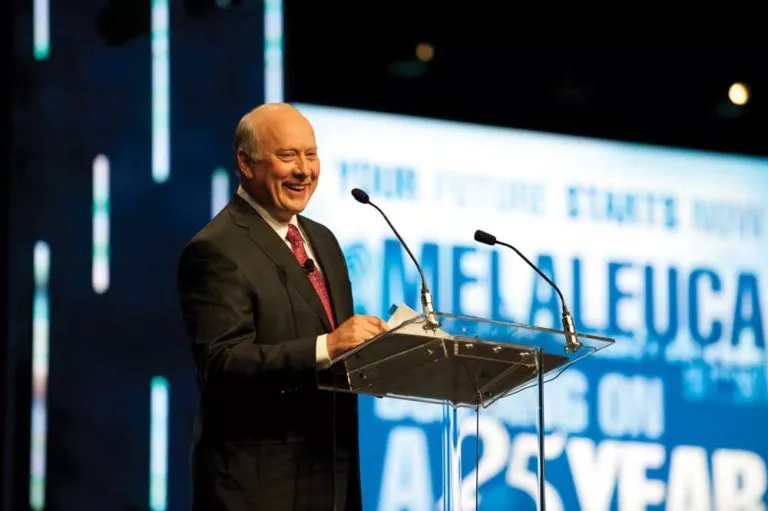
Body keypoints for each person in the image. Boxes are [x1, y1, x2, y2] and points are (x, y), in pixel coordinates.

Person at [177, 102, 388, 510]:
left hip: (331, 478)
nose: (304, 170)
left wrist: (382, 357)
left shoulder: (323, 240)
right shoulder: (215, 249)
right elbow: (222, 364)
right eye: (288, 155)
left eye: (311, 154)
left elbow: (338, 354)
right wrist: (327, 346)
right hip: (259, 488)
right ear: (246, 163)